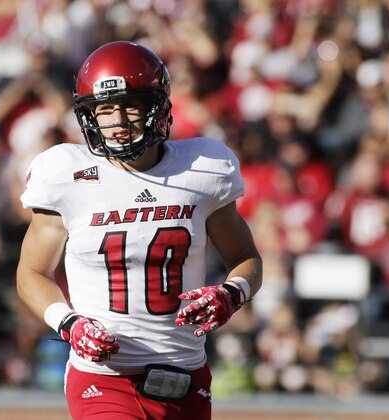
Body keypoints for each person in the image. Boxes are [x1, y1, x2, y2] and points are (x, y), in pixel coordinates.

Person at [15, 41, 262, 419]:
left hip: (186, 373)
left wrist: (232, 292)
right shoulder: (64, 174)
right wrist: (68, 322)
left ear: (157, 106)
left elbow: (246, 258)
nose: (117, 120)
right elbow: (32, 272)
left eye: (130, 105)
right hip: (104, 376)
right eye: (104, 108)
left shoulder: (205, 169)